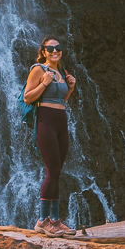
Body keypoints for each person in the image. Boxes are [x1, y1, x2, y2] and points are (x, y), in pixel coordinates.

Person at [23, 35, 77, 234]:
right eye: (50, 48)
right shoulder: (39, 70)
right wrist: (44, 83)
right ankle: (42, 221)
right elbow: (27, 97)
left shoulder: (61, 72)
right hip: (46, 121)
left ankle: (54, 220)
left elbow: (61, 100)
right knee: (52, 170)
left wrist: (70, 87)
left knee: (56, 172)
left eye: (58, 47)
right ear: (43, 51)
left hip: (61, 120)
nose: (55, 51)